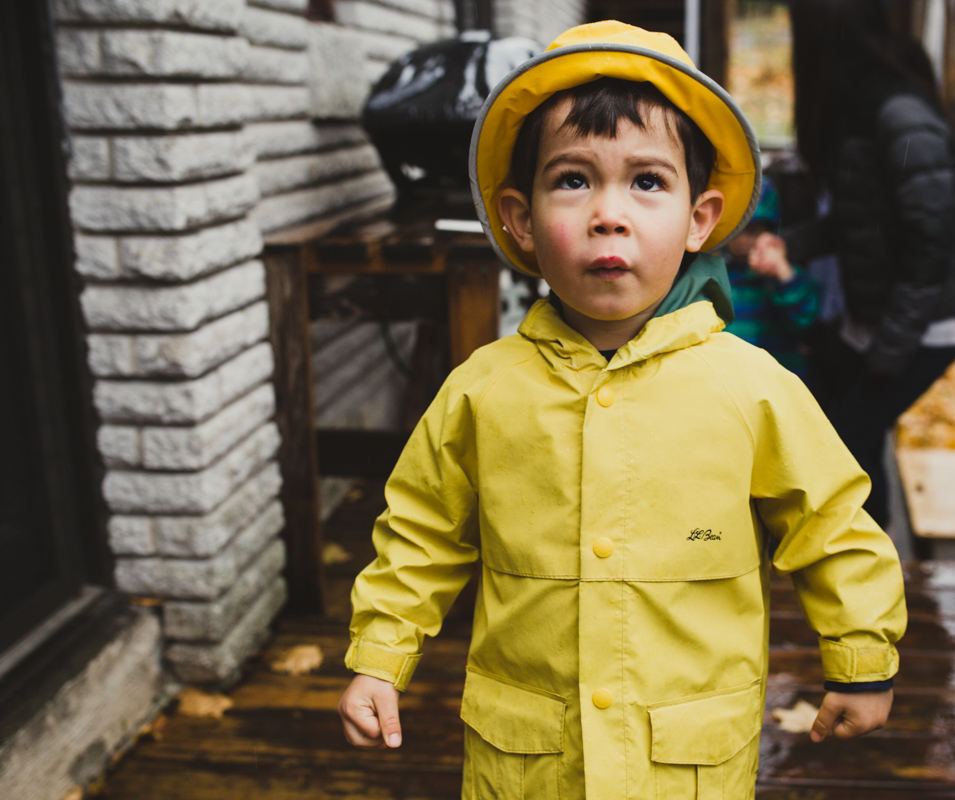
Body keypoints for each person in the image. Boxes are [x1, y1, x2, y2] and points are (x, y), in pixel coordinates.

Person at [337, 21, 906, 799]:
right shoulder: (482, 390)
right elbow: (419, 533)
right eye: (573, 179)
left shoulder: (751, 388)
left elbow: (833, 524)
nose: (610, 212)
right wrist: (379, 655)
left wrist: (863, 658)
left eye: (647, 181)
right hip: (531, 764)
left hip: (684, 767)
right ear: (519, 218)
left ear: (700, 218)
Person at [773, 0, 955, 530]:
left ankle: (864, 570)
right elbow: (860, 223)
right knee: (859, 439)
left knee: (842, 442)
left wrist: (888, 349)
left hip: (925, 323)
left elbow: (929, 245)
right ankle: (880, 559)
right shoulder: (865, 111)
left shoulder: (904, 120)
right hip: (880, 315)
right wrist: (787, 246)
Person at [721, 176, 822, 379]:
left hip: (777, 383)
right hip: (731, 383)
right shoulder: (714, 277)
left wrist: (783, 274)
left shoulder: (783, 277)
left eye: (752, 230)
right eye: (735, 230)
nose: (742, 240)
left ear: (770, 230)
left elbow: (805, 319)